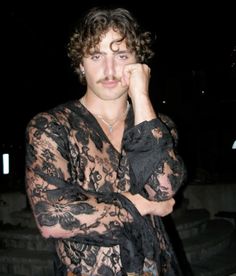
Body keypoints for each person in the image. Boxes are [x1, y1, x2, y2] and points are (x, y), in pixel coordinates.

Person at [25, 6, 186, 276]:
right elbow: (51, 216)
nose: (109, 69)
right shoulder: (51, 126)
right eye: (97, 55)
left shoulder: (159, 126)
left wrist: (141, 98)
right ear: (80, 64)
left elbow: (163, 189)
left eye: (121, 55)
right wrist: (142, 205)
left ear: (138, 64)